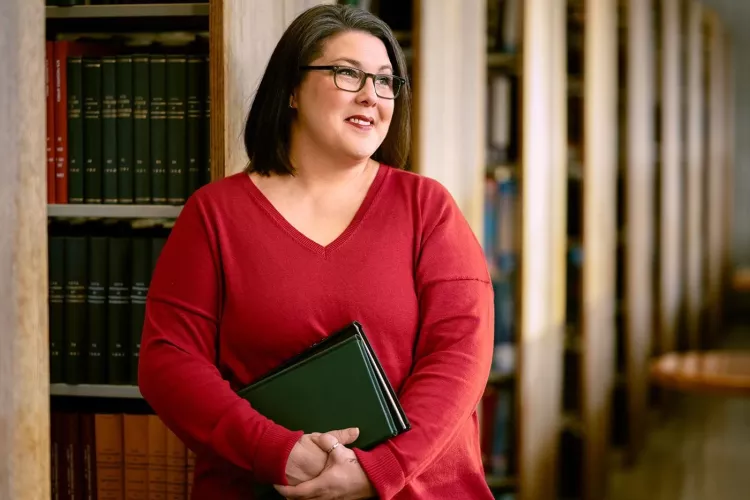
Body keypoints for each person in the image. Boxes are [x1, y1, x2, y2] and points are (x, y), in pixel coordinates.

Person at [138, 4, 495, 499]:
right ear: (290, 89)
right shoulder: (214, 214)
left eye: (386, 81)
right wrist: (279, 452)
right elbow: (169, 361)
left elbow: (460, 355)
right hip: (262, 485)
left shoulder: (426, 207)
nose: (372, 95)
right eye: (348, 74)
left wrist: (382, 468)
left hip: (415, 488)